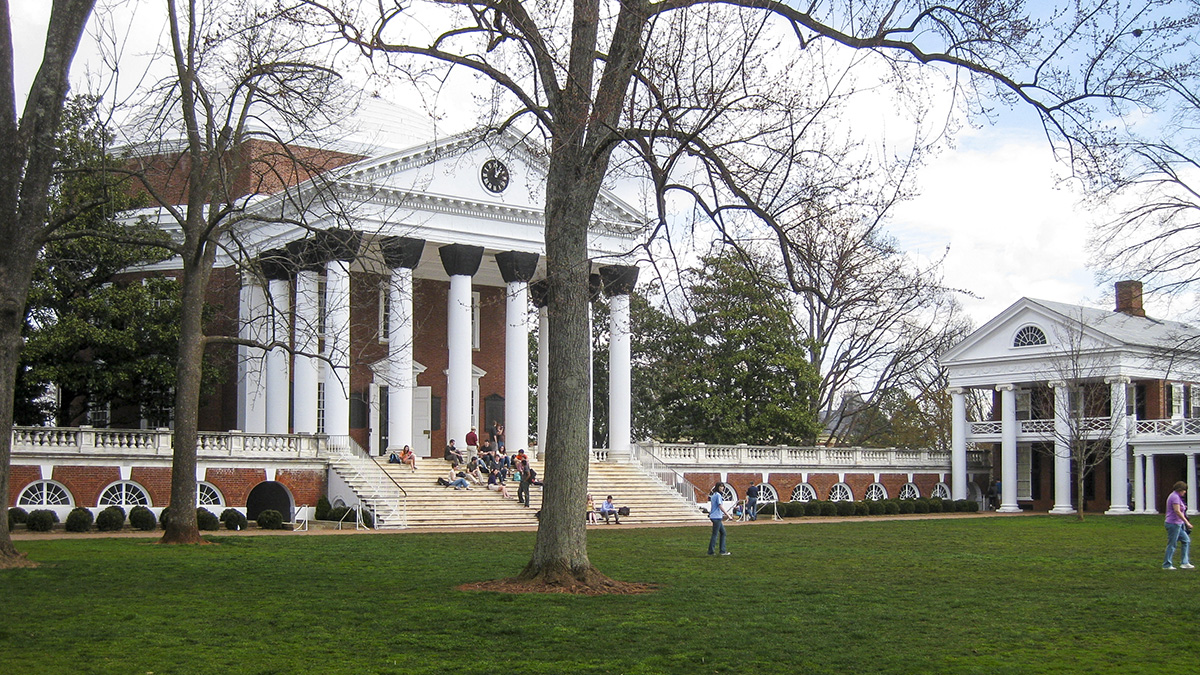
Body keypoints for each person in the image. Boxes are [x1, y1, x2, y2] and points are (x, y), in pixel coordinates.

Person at [1164, 481, 1194, 570]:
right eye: (1184, 490)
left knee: (1186, 540)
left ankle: (1184, 562)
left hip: (1178, 524)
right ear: (1180, 489)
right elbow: (1177, 511)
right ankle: (1167, 564)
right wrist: (1187, 522)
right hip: (1173, 523)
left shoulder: (1177, 497)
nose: (1185, 492)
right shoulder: (1175, 497)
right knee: (1172, 544)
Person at [707, 487, 733, 555]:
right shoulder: (718, 495)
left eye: (723, 486)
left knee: (723, 533)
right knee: (715, 534)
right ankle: (712, 551)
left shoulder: (714, 495)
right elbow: (720, 506)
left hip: (714, 516)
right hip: (717, 517)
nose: (722, 488)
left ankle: (722, 550)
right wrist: (728, 515)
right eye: (721, 486)